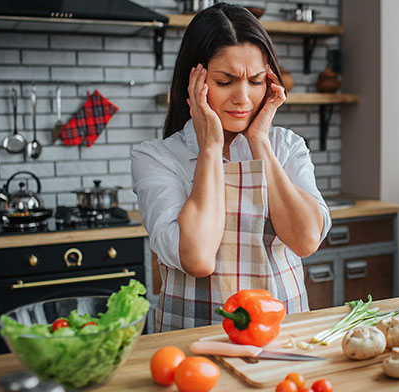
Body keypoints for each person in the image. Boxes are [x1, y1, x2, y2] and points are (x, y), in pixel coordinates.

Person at [131, 3, 331, 332]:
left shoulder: (285, 146)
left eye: (255, 81)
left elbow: (305, 240)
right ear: (194, 83)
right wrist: (210, 146)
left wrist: (260, 141)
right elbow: (197, 259)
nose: (244, 98)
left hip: (281, 334)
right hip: (195, 340)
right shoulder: (157, 158)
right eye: (225, 82)